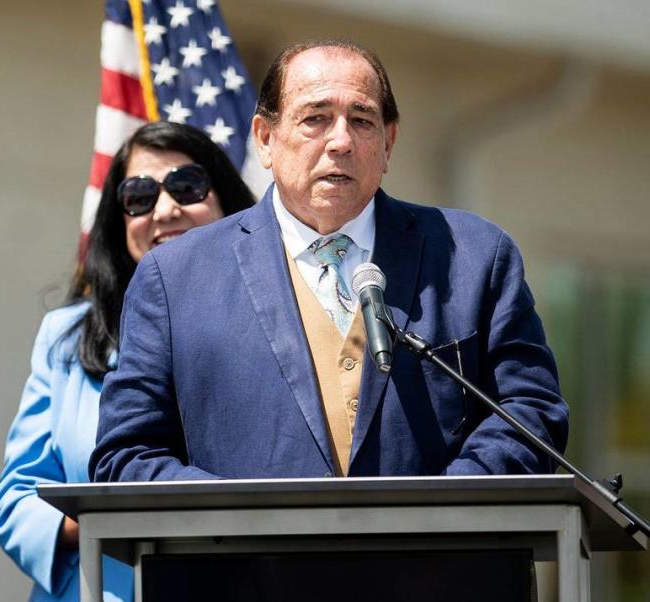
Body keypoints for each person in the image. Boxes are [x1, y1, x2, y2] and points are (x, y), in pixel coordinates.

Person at [91, 40, 569, 482]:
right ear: (265, 139)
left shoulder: (475, 256)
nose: (340, 141)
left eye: (361, 121)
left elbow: (530, 413)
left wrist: (438, 514)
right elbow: (128, 455)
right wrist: (238, 520)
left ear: (389, 144)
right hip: (245, 569)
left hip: (438, 567)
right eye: (315, 118)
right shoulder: (175, 278)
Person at [0, 121, 256, 602]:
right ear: (119, 219)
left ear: (229, 201)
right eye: (138, 196)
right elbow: (17, 499)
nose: (164, 210)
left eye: (186, 186)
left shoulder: (279, 327)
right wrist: (105, 523)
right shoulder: (65, 335)